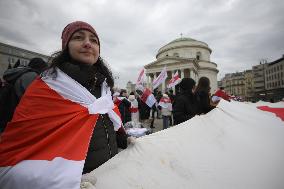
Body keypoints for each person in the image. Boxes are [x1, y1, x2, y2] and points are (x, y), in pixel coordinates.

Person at [0, 21, 127, 188]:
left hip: (107, 173)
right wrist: (65, 180)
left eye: (94, 40)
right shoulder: (47, 86)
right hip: (68, 179)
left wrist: (122, 139)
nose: (88, 43)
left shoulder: (103, 88)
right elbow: (25, 142)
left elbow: (107, 124)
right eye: (78, 38)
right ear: (66, 46)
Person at [0, 58, 48, 133]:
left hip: (8, 107)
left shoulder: (20, 73)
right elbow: (33, 99)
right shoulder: (32, 76)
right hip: (16, 111)